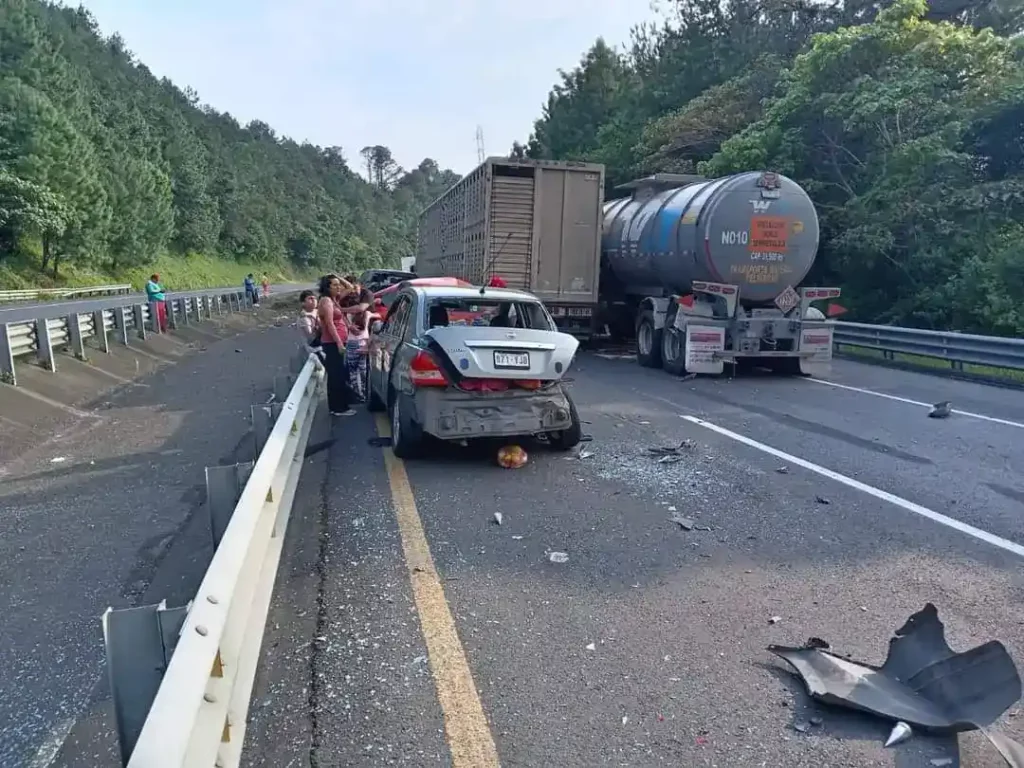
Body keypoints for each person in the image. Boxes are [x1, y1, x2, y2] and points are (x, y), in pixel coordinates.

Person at [318, 274, 356, 417]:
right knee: (336, 376)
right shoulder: (326, 301)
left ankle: (339, 406)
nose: (338, 286)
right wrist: (339, 343)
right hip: (332, 343)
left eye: (338, 284)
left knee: (339, 374)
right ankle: (338, 408)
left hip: (338, 342)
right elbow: (329, 324)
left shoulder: (334, 300)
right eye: (334, 285)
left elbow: (350, 287)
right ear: (327, 288)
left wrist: (337, 276)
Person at [345, 288, 374, 402]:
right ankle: (364, 393)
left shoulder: (347, 315)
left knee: (353, 371)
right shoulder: (367, 313)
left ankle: (357, 394)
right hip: (364, 343)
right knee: (363, 371)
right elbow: (379, 316)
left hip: (351, 344)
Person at [297, 290, 323, 358]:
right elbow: (310, 336)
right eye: (310, 298)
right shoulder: (303, 317)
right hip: (313, 348)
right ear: (303, 303)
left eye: (314, 298)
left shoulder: (317, 311)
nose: (314, 300)